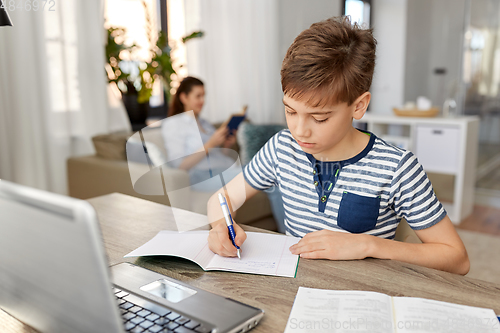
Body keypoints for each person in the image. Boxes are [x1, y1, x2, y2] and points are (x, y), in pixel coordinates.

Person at [206, 17, 470, 275]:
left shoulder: (397, 168)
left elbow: (456, 258)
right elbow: (221, 199)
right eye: (290, 111)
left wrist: (368, 244)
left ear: (359, 106)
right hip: (293, 293)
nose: (299, 130)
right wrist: (220, 227)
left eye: (319, 117)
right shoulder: (281, 148)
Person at [161, 76, 238, 192]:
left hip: (224, 169)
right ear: (184, 98)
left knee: (266, 174)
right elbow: (179, 166)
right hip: (201, 177)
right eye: (198, 96)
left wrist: (226, 145)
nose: (203, 101)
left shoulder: (205, 123)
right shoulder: (173, 124)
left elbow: (218, 156)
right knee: (261, 173)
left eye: (203, 96)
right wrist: (210, 144)